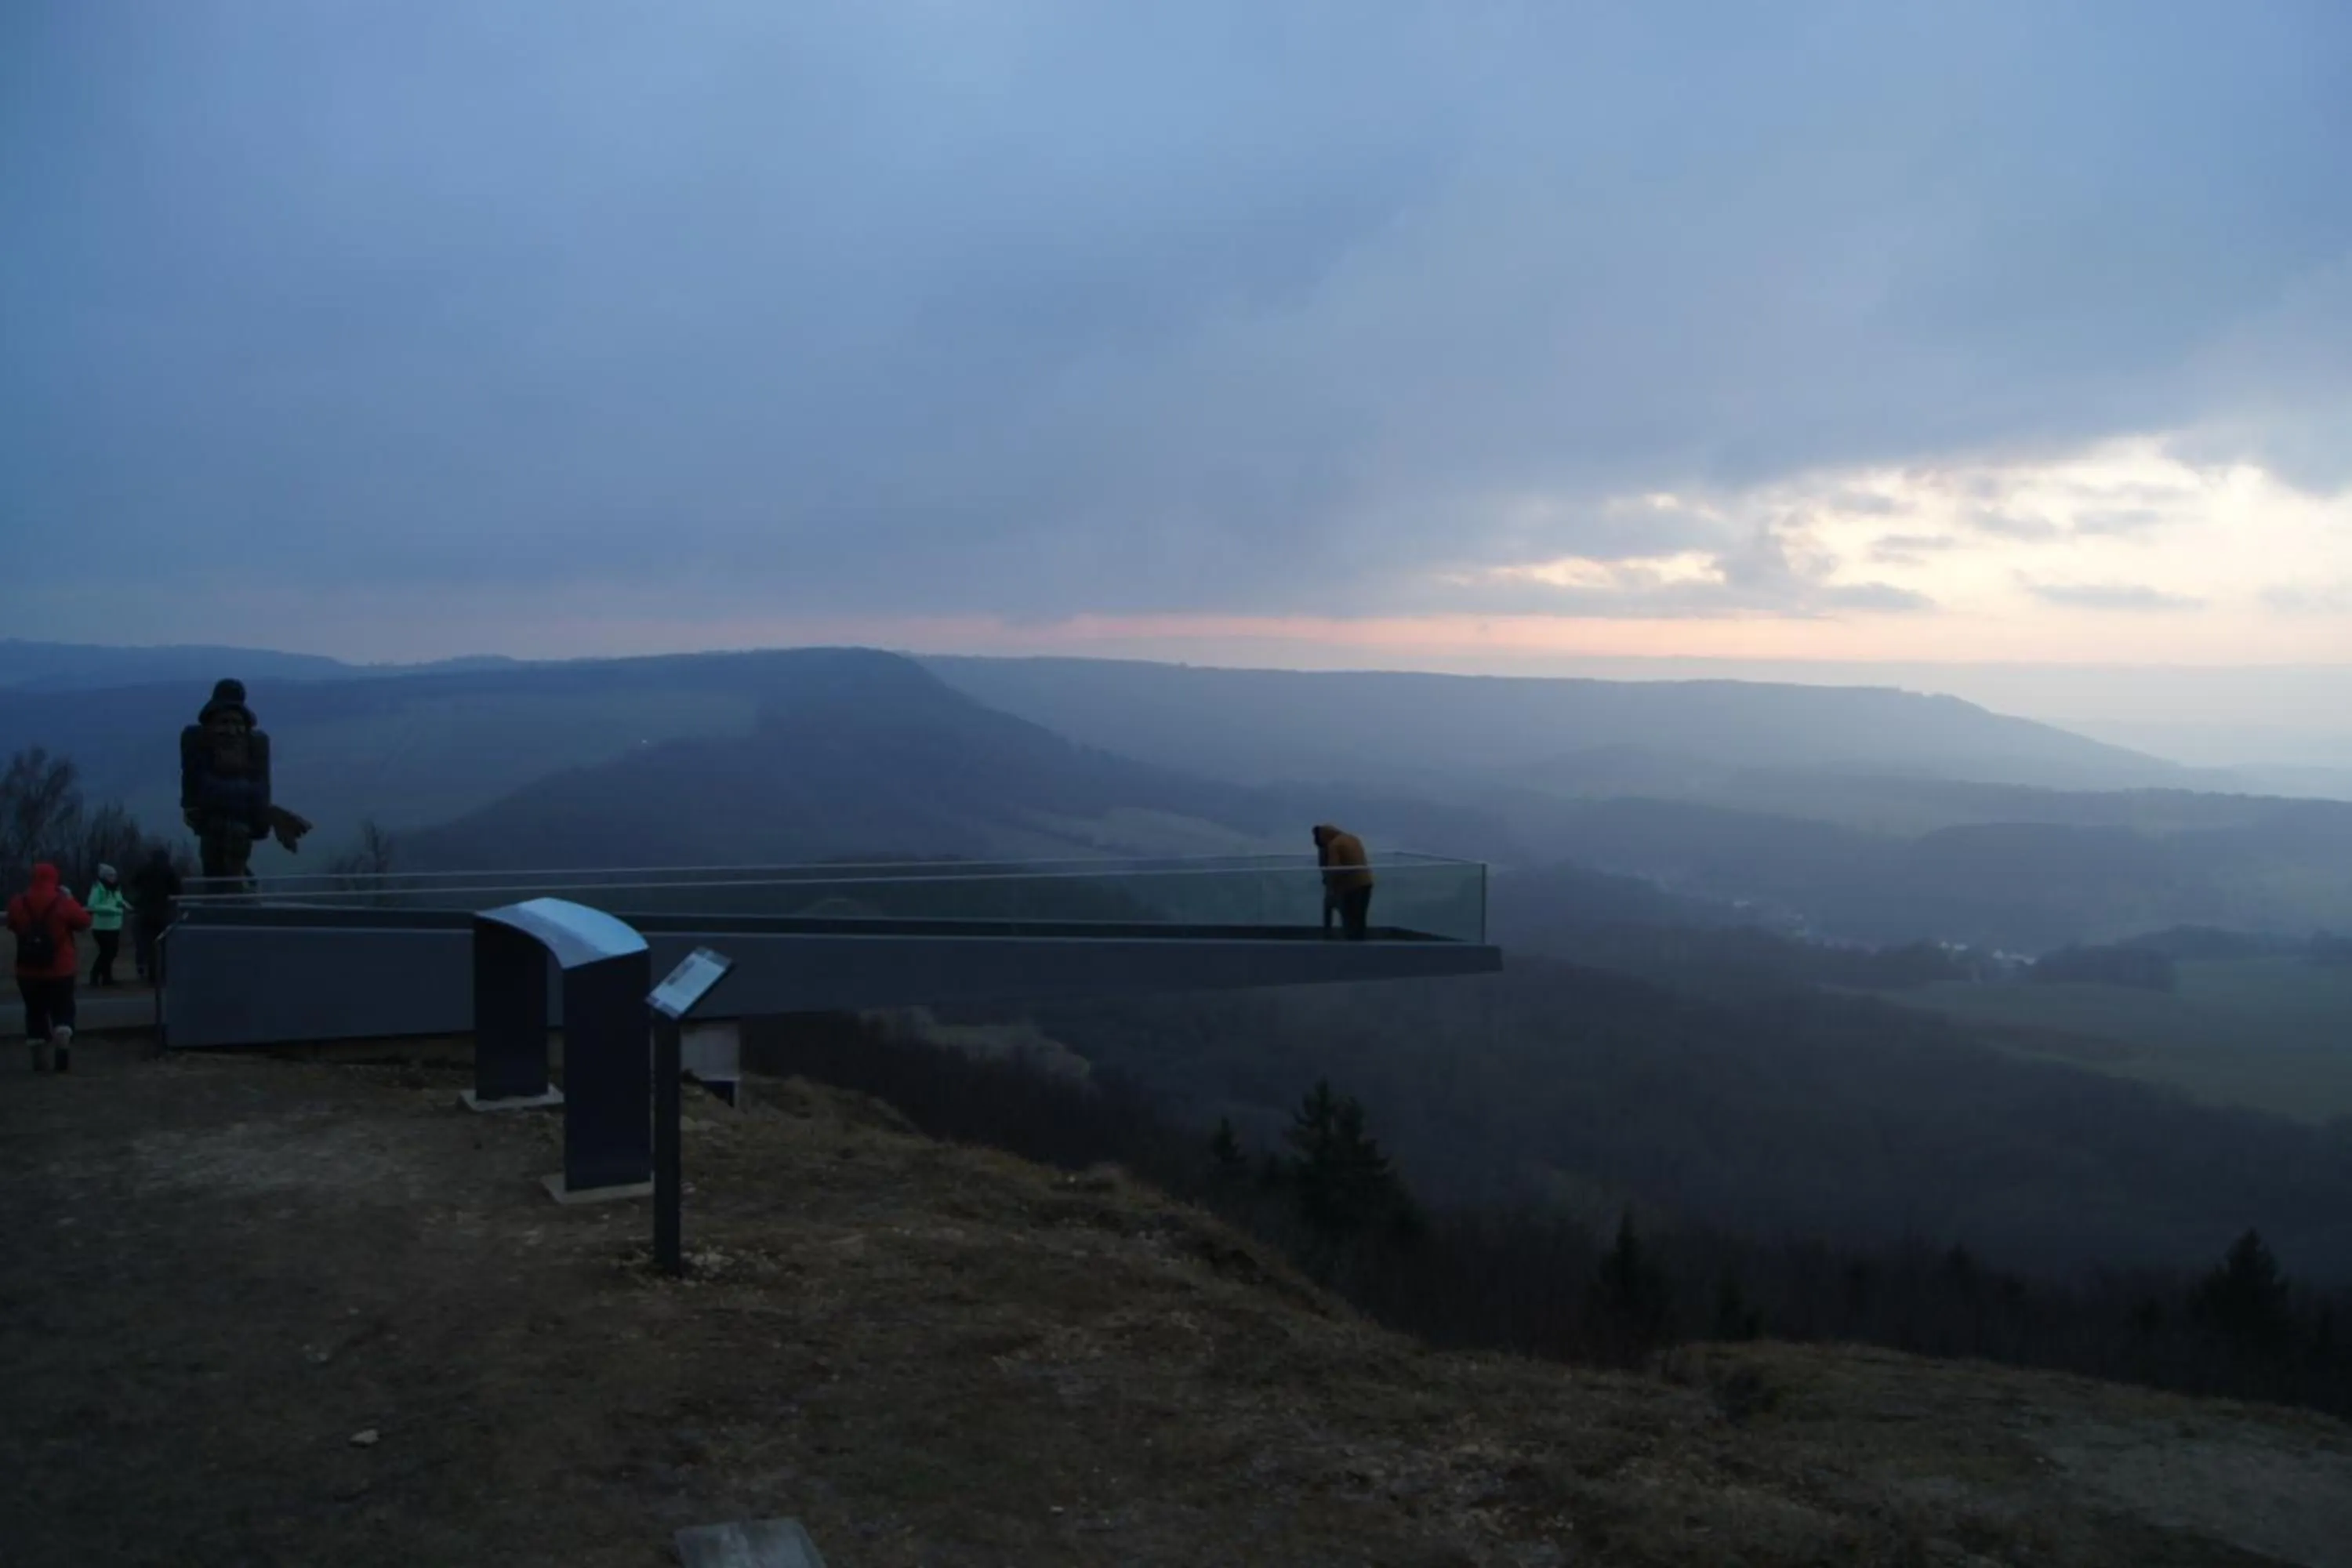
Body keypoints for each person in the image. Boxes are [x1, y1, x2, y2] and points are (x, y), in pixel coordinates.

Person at [180, 678, 274, 887]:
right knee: (214, 868)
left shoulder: (255, 747)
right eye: (224, 722)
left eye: (237, 723)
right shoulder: (198, 744)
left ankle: (237, 883)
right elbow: (199, 788)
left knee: (235, 856)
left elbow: (260, 791)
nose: (232, 731)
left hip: (241, 828)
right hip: (212, 827)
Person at [9, 862, 92, 1073]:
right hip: (60, 969)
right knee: (62, 1010)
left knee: (34, 1012)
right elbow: (83, 921)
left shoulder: (19, 902)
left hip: (27, 970)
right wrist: (70, 898)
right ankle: (62, 1044)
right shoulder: (62, 902)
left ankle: (38, 1055)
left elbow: (12, 923)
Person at [129, 846, 183, 983]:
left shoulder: (145, 869)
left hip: (145, 912)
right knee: (164, 945)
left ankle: (151, 975)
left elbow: (133, 882)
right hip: (163, 912)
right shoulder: (169, 871)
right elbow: (178, 890)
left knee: (149, 945)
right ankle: (162, 975)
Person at [1312, 823, 1375, 942]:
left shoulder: (1334, 845)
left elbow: (1334, 869)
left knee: (1348, 918)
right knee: (1360, 919)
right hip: (1366, 883)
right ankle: (1361, 946)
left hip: (1351, 886)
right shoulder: (1353, 839)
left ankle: (1339, 942)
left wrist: (1331, 888)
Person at [85, 863, 127, 987]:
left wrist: (123, 904)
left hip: (114, 926)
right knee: (106, 953)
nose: (113, 877)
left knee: (112, 953)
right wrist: (112, 910)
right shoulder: (98, 888)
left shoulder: (116, 888)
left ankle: (107, 979)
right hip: (101, 927)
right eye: (110, 875)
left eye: (114, 875)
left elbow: (118, 900)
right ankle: (95, 976)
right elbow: (92, 906)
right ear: (104, 876)